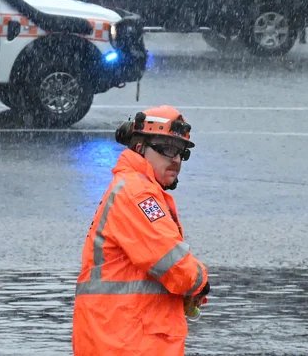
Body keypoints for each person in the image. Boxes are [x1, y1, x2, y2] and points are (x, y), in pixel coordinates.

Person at [73, 105, 210, 356]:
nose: (176, 159)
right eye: (167, 149)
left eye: (181, 152)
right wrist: (200, 282)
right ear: (140, 148)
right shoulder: (137, 193)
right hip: (127, 341)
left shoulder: (132, 188)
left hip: (119, 336)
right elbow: (175, 265)